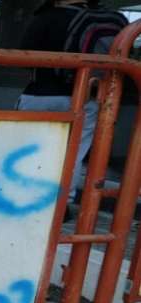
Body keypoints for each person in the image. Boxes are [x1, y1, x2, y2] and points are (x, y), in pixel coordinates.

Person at [17, 0, 128, 204]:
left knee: (29, 150)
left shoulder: (46, 16)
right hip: (86, 96)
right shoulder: (97, 18)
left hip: (40, 93)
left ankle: (24, 198)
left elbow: (23, 54)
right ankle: (61, 205)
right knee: (73, 154)